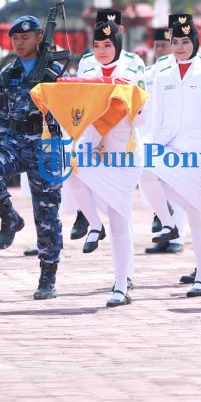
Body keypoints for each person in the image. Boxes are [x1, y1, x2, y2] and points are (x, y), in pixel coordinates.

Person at [66, 19, 147, 307]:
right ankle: (93, 224)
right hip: (92, 147)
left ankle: (122, 285)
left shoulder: (132, 73)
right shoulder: (87, 72)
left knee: (119, 218)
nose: (101, 51)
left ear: (118, 46)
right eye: (97, 45)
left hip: (123, 152)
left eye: (107, 45)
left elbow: (142, 116)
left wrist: (123, 96)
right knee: (71, 175)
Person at [0, 15, 64, 300]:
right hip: (16, 142)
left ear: (39, 38)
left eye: (25, 38)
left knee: (46, 214)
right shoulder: (8, 73)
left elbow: (69, 111)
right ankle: (9, 217)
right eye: (15, 38)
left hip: (46, 147)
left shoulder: (56, 71)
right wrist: (4, 140)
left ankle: (47, 276)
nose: (19, 43)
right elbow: (2, 114)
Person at [140, 14, 201, 296]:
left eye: (185, 41)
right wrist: (152, 143)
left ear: (195, 42)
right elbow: (157, 114)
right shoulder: (163, 74)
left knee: (198, 215)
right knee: (144, 171)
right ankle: (169, 222)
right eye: (176, 42)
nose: (180, 47)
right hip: (169, 146)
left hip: (200, 152)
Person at [141, 25, 188, 256]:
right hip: (151, 136)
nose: (160, 49)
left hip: (175, 138)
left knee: (174, 187)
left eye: (164, 45)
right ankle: (164, 234)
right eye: (157, 45)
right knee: (155, 188)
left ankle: (177, 238)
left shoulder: (177, 73)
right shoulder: (149, 73)